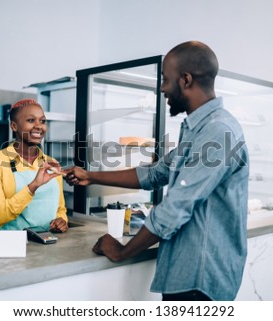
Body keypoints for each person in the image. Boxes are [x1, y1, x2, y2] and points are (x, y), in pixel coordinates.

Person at [65, 41, 249, 301]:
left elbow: (175, 207)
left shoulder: (217, 132)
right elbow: (155, 173)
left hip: (200, 280)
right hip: (189, 276)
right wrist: (90, 175)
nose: (162, 88)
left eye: (165, 79)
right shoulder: (199, 129)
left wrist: (123, 251)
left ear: (185, 80)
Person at [0, 98, 68, 232]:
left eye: (43, 121)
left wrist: (61, 220)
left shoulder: (51, 163)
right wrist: (32, 187)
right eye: (31, 120)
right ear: (14, 126)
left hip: (46, 243)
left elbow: (60, 209)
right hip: (9, 245)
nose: (39, 126)